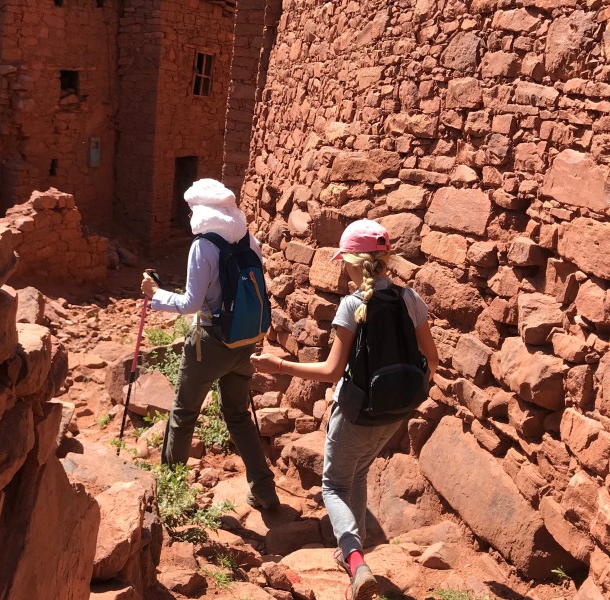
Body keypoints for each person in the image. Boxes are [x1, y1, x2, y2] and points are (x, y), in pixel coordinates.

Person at [251, 219, 439, 600]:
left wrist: (279, 366)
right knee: (360, 471)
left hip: (357, 411)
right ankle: (357, 549)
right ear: (385, 260)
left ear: (351, 262)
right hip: (397, 411)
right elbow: (431, 361)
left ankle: (355, 560)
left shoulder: (353, 305)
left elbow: (331, 371)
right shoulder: (410, 299)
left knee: (334, 485)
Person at [140, 178, 279, 510]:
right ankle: (264, 488)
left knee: (184, 413)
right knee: (238, 414)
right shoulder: (249, 240)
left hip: (210, 343)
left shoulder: (203, 246)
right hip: (245, 342)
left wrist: (154, 295)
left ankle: (171, 496)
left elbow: (191, 303)